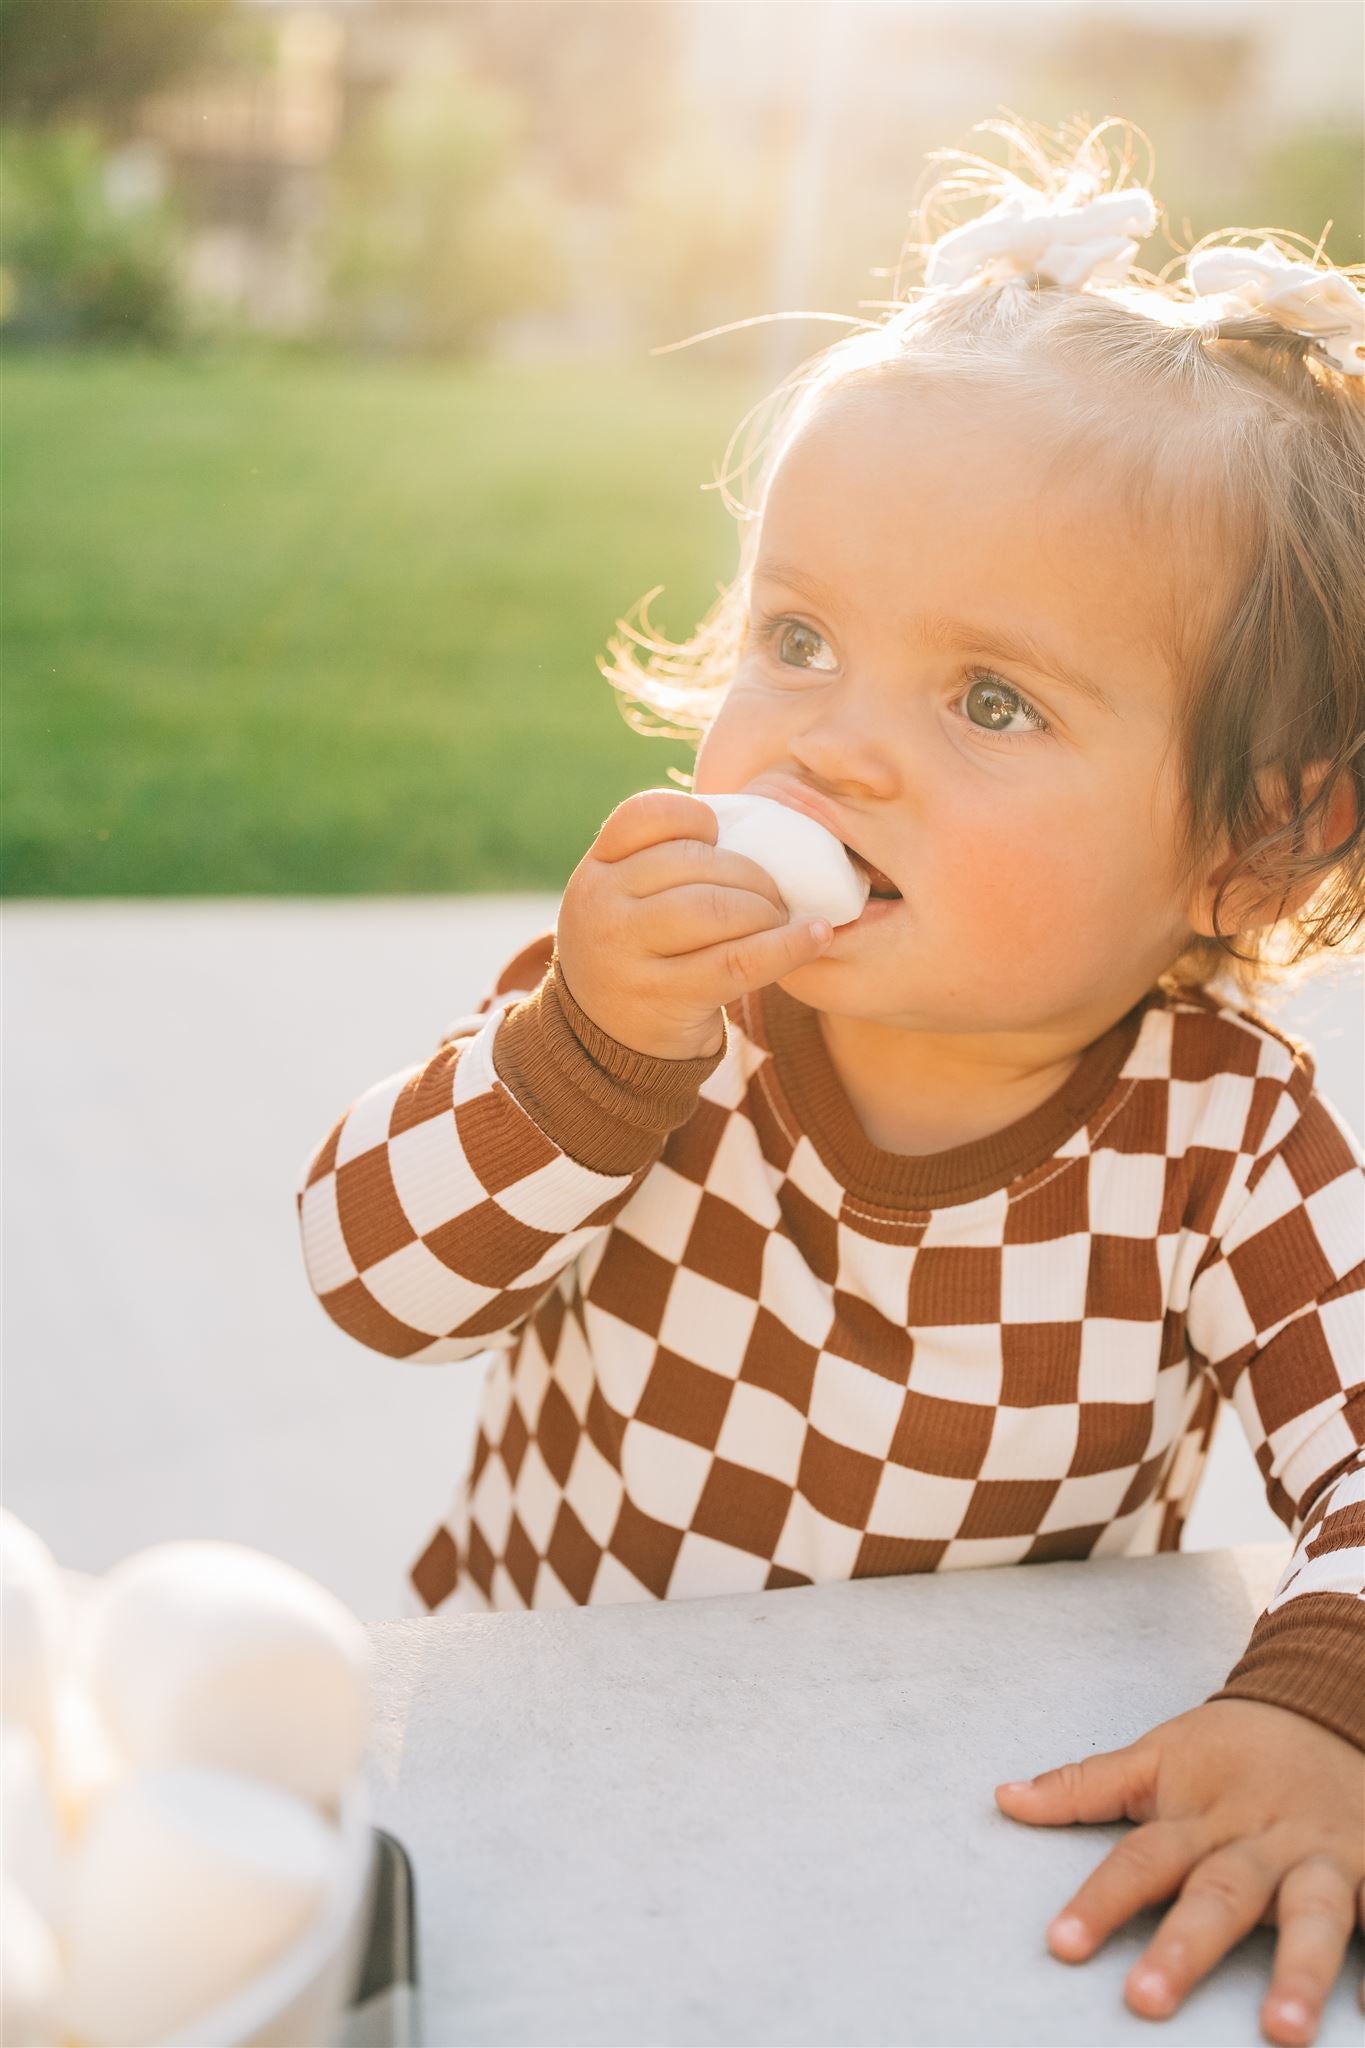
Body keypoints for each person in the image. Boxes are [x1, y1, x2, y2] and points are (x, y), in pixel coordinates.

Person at [297, 116, 1364, 2046]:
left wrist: (1316, 1704)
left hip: (954, 1823)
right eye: (795, 640)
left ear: (1253, 850)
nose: (827, 753)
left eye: (987, 701)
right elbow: (373, 1279)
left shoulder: (1227, 1144)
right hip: (561, 1741)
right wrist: (589, 1056)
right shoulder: (651, 1016)